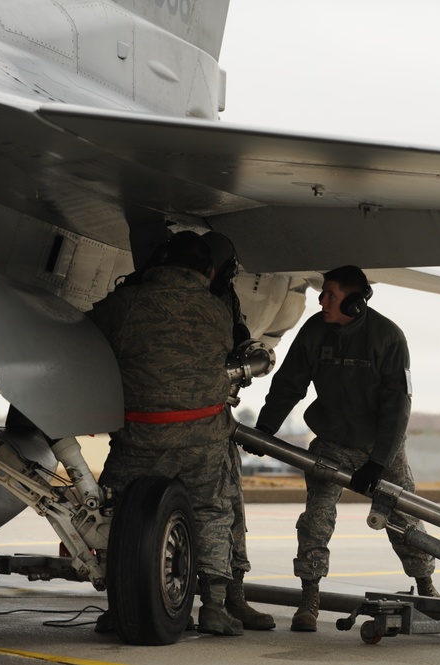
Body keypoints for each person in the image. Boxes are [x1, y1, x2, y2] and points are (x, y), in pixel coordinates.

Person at [254, 265, 438, 633]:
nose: (321, 301)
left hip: (380, 447)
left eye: (331, 295)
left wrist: (378, 461)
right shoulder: (314, 330)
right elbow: (289, 383)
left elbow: (397, 407)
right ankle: (309, 597)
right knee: (315, 520)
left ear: (354, 303)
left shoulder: (388, 338)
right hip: (332, 443)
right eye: (323, 294)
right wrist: (266, 428)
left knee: (404, 521)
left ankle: (425, 585)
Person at [88, 231, 242, 637]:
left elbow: (86, 335)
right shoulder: (217, 312)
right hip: (204, 435)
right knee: (211, 511)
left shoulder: (124, 305)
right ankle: (213, 608)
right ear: (208, 272)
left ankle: (118, 606)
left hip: (141, 436)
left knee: (117, 514)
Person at [201, 231, 276, 631]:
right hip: (202, 427)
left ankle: (233, 597)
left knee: (229, 509)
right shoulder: (210, 306)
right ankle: (217, 603)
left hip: (157, 424)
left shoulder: (223, 300)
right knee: (221, 508)